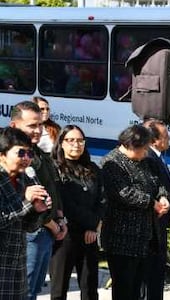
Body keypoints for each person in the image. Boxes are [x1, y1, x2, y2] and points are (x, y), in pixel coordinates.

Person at [100, 124, 170, 300]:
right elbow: (124, 193)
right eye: (144, 148)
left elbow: (158, 182)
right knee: (124, 289)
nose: (147, 152)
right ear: (131, 145)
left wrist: (162, 197)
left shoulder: (146, 161)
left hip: (144, 238)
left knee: (138, 288)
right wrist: (151, 203)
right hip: (121, 239)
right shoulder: (112, 162)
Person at [11, 100, 66, 300]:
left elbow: (53, 187)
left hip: (47, 232)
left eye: (40, 124)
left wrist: (60, 219)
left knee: (34, 291)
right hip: (29, 233)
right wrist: (53, 226)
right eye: (32, 125)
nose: (37, 130)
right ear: (14, 126)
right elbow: (27, 200)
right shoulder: (13, 157)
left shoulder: (39, 153)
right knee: (22, 292)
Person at [49, 125, 104, 300]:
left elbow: (103, 200)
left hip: (89, 236)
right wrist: (92, 222)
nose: (76, 144)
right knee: (59, 290)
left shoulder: (93, 168)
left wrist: (94, 227)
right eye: (70, 140)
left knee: (90, 288)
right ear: (61, 143)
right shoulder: (54, 168)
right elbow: (66, 203)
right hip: (64, 236)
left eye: (80, 140)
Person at [0, 126, 50, 300]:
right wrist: (26, 202)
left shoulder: (25, 178)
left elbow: (28, 226)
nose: (26, 159)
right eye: (21, 153)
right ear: (2, 155)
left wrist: (37, 211)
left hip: (17, 265)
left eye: (29, 154)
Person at [143, 120, 170, 300]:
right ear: (154, 140)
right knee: (151, 275)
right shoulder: (149, 158)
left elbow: (167, 189)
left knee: (157, 274)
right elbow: (157, 188)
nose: (169, 139)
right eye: (166, 136)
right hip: (153, 226)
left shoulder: (157, 156)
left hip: (161, 224)